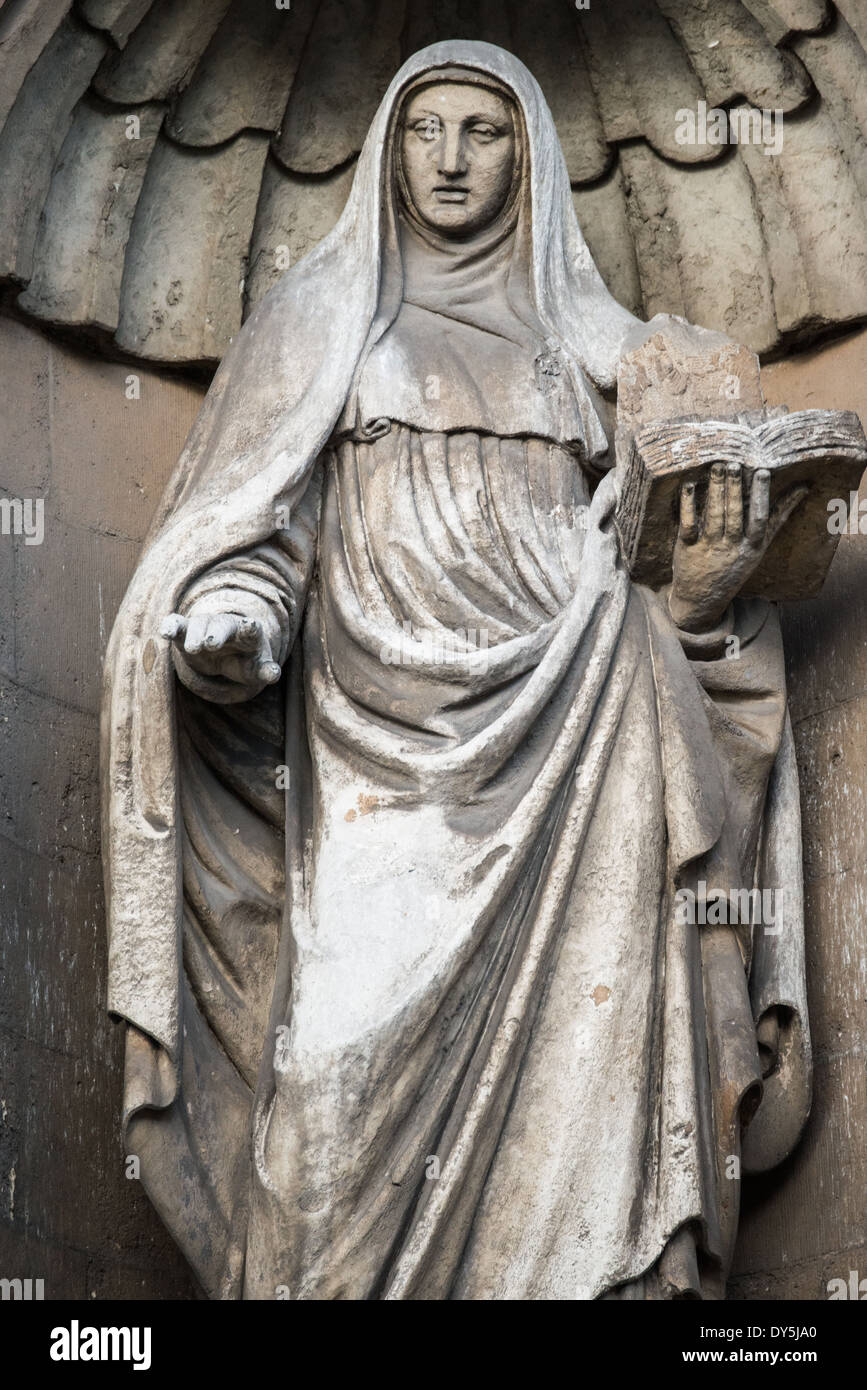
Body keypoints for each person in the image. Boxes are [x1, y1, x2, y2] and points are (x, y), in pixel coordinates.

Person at [102, 41, 810, 1300]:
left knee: (600, 1065)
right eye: (425, 130)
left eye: (483, 133)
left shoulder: (600, 361)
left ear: (529, 159)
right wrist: (233, 620)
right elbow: (260, 528)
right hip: (379, 781)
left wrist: (699, 598)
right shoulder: (321, 328)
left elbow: (669, 591)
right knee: (327, 1085)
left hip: (588, 732)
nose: (449, 160)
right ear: (385, 150)